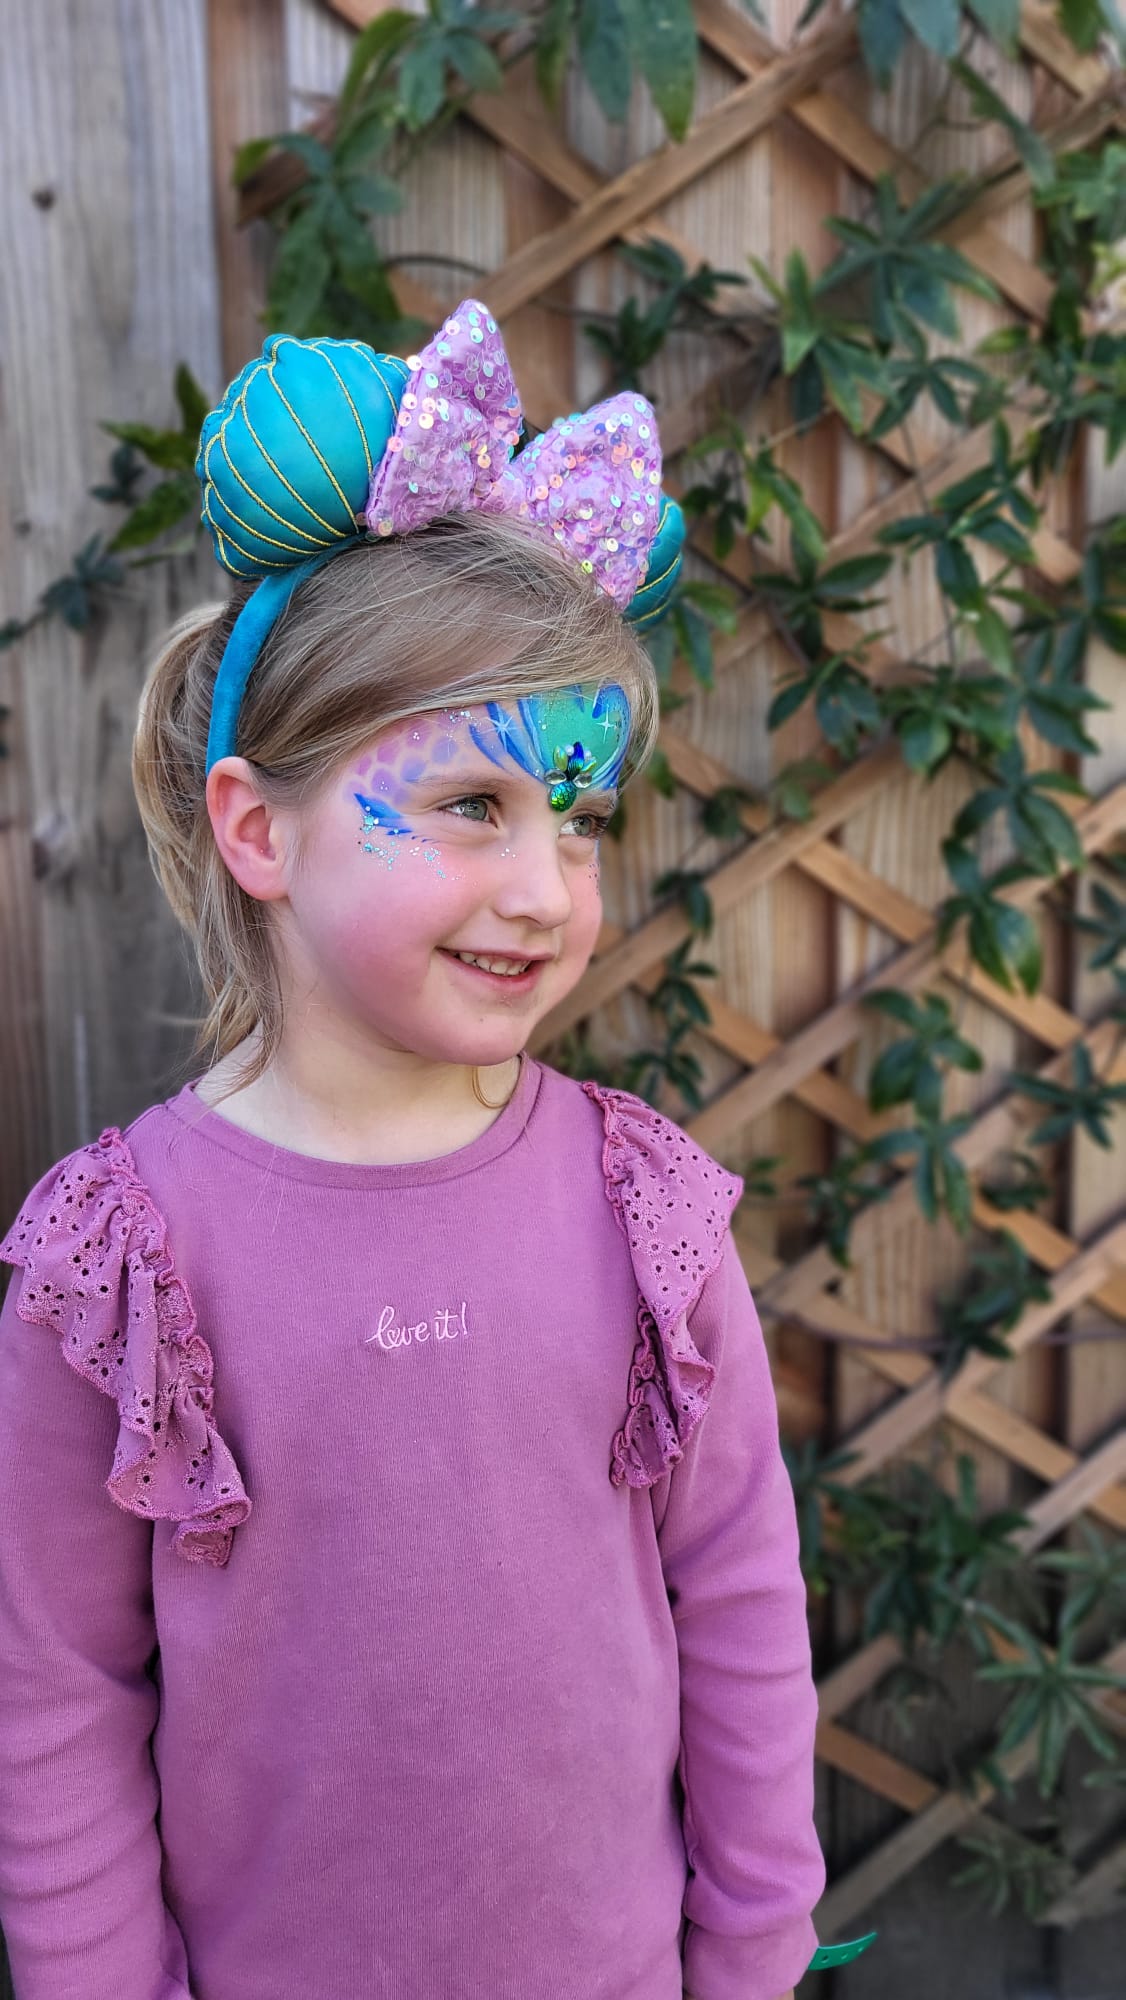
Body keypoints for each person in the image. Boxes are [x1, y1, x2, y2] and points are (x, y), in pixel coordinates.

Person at [0, 302, 828, 2000]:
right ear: (258, 829)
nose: (546, 888)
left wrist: (751, 1952)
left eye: (578, 818)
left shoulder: (641, 1213)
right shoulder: (123, 1259)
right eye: (471, 807)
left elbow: (740, 1603)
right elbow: (59, 1690)